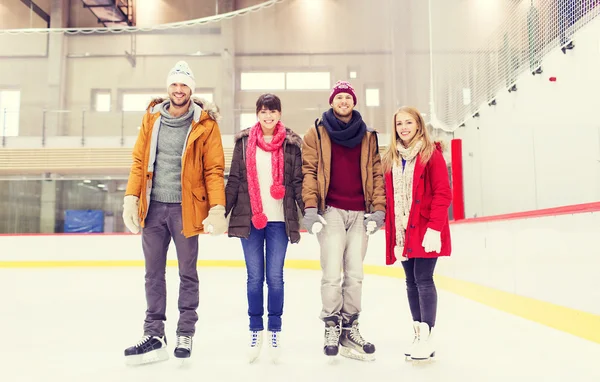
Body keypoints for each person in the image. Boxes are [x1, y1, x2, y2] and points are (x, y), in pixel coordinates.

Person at [121, 61, 228, 365]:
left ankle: (185, 332)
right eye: (174, 85)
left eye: (184, 85)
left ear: (191, 90)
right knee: (153, 274)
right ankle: (154, 334)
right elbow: (139, 162)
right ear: (168, 88)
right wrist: (131, 196)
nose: (179, 90)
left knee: (187, 273)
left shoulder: (205, 124)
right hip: (153, 208)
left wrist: (217, 207)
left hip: (186, 209)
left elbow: (214, 169)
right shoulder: (152, 118)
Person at [301, 80, 385, 361]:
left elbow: (376, 174)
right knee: (331, 273)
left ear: (354, 102)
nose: (343, 101)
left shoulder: (368, 135)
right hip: (331, 211)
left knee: (356, 274)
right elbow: (310, 170)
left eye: (348, 97)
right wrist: (311, 209)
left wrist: (379, 210)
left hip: (360, 212)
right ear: (332, 101)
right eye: (339, 97)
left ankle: (350, 326)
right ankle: (331, 325)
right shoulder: (316, 132)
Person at [225, 93, 304, 363]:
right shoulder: (244, 142)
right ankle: (255, 329)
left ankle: (275, 330)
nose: (268, 116)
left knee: (275, 277)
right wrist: (219, 212)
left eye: (272, 111)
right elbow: (234, 179)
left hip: (280, 220)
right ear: (257, 114)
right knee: (254, 278)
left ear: (279, 114)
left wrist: (312, 213)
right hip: (250, 219)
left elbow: (298, 183)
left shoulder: (292, 145)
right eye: (263, 111)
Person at [381, 106, 452, 363]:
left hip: (425, 229)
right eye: (399, 123)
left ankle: (428, 336)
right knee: (410, 282)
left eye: (408, 122)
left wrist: (434, 228)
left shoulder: (430, 154)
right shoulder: (391, 157)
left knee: (423, 279)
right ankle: (418, 332)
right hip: (402, 231)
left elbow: (443, 193)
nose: (403, 127)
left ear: (418, 124)